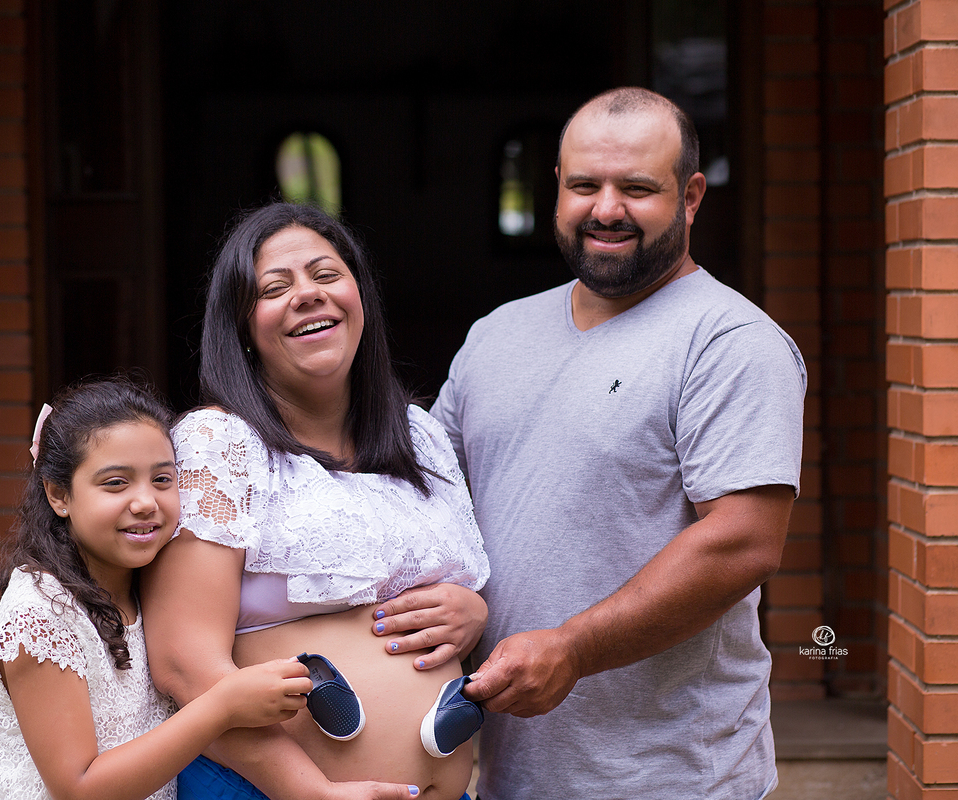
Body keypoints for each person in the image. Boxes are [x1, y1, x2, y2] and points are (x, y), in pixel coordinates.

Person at [432, 87, 807, 799]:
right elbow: (429, 497)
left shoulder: (729, 342)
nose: (606, 209)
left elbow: (743, 542)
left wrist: (572, 648)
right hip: (514, 772)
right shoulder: (497, 335)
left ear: (691, 197)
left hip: (670, 778)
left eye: (636, 188)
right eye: (584, 185)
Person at [141, 202, 491, 800]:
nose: (308, 295)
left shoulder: (419, 436)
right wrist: (310, 790)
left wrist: (473, 615)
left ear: (360, 298)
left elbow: (457, 603)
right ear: (243, 328)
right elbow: (182, 661)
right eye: (275, 288)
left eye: (326, 275)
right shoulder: (219, 444)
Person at [0, 377, 315, 800]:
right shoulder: (41, 610)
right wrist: (222, 706)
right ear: (59, 495)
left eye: (162, 480)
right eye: (115, 483)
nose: (145, 502)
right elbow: (80, 788)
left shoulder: (146, 585)